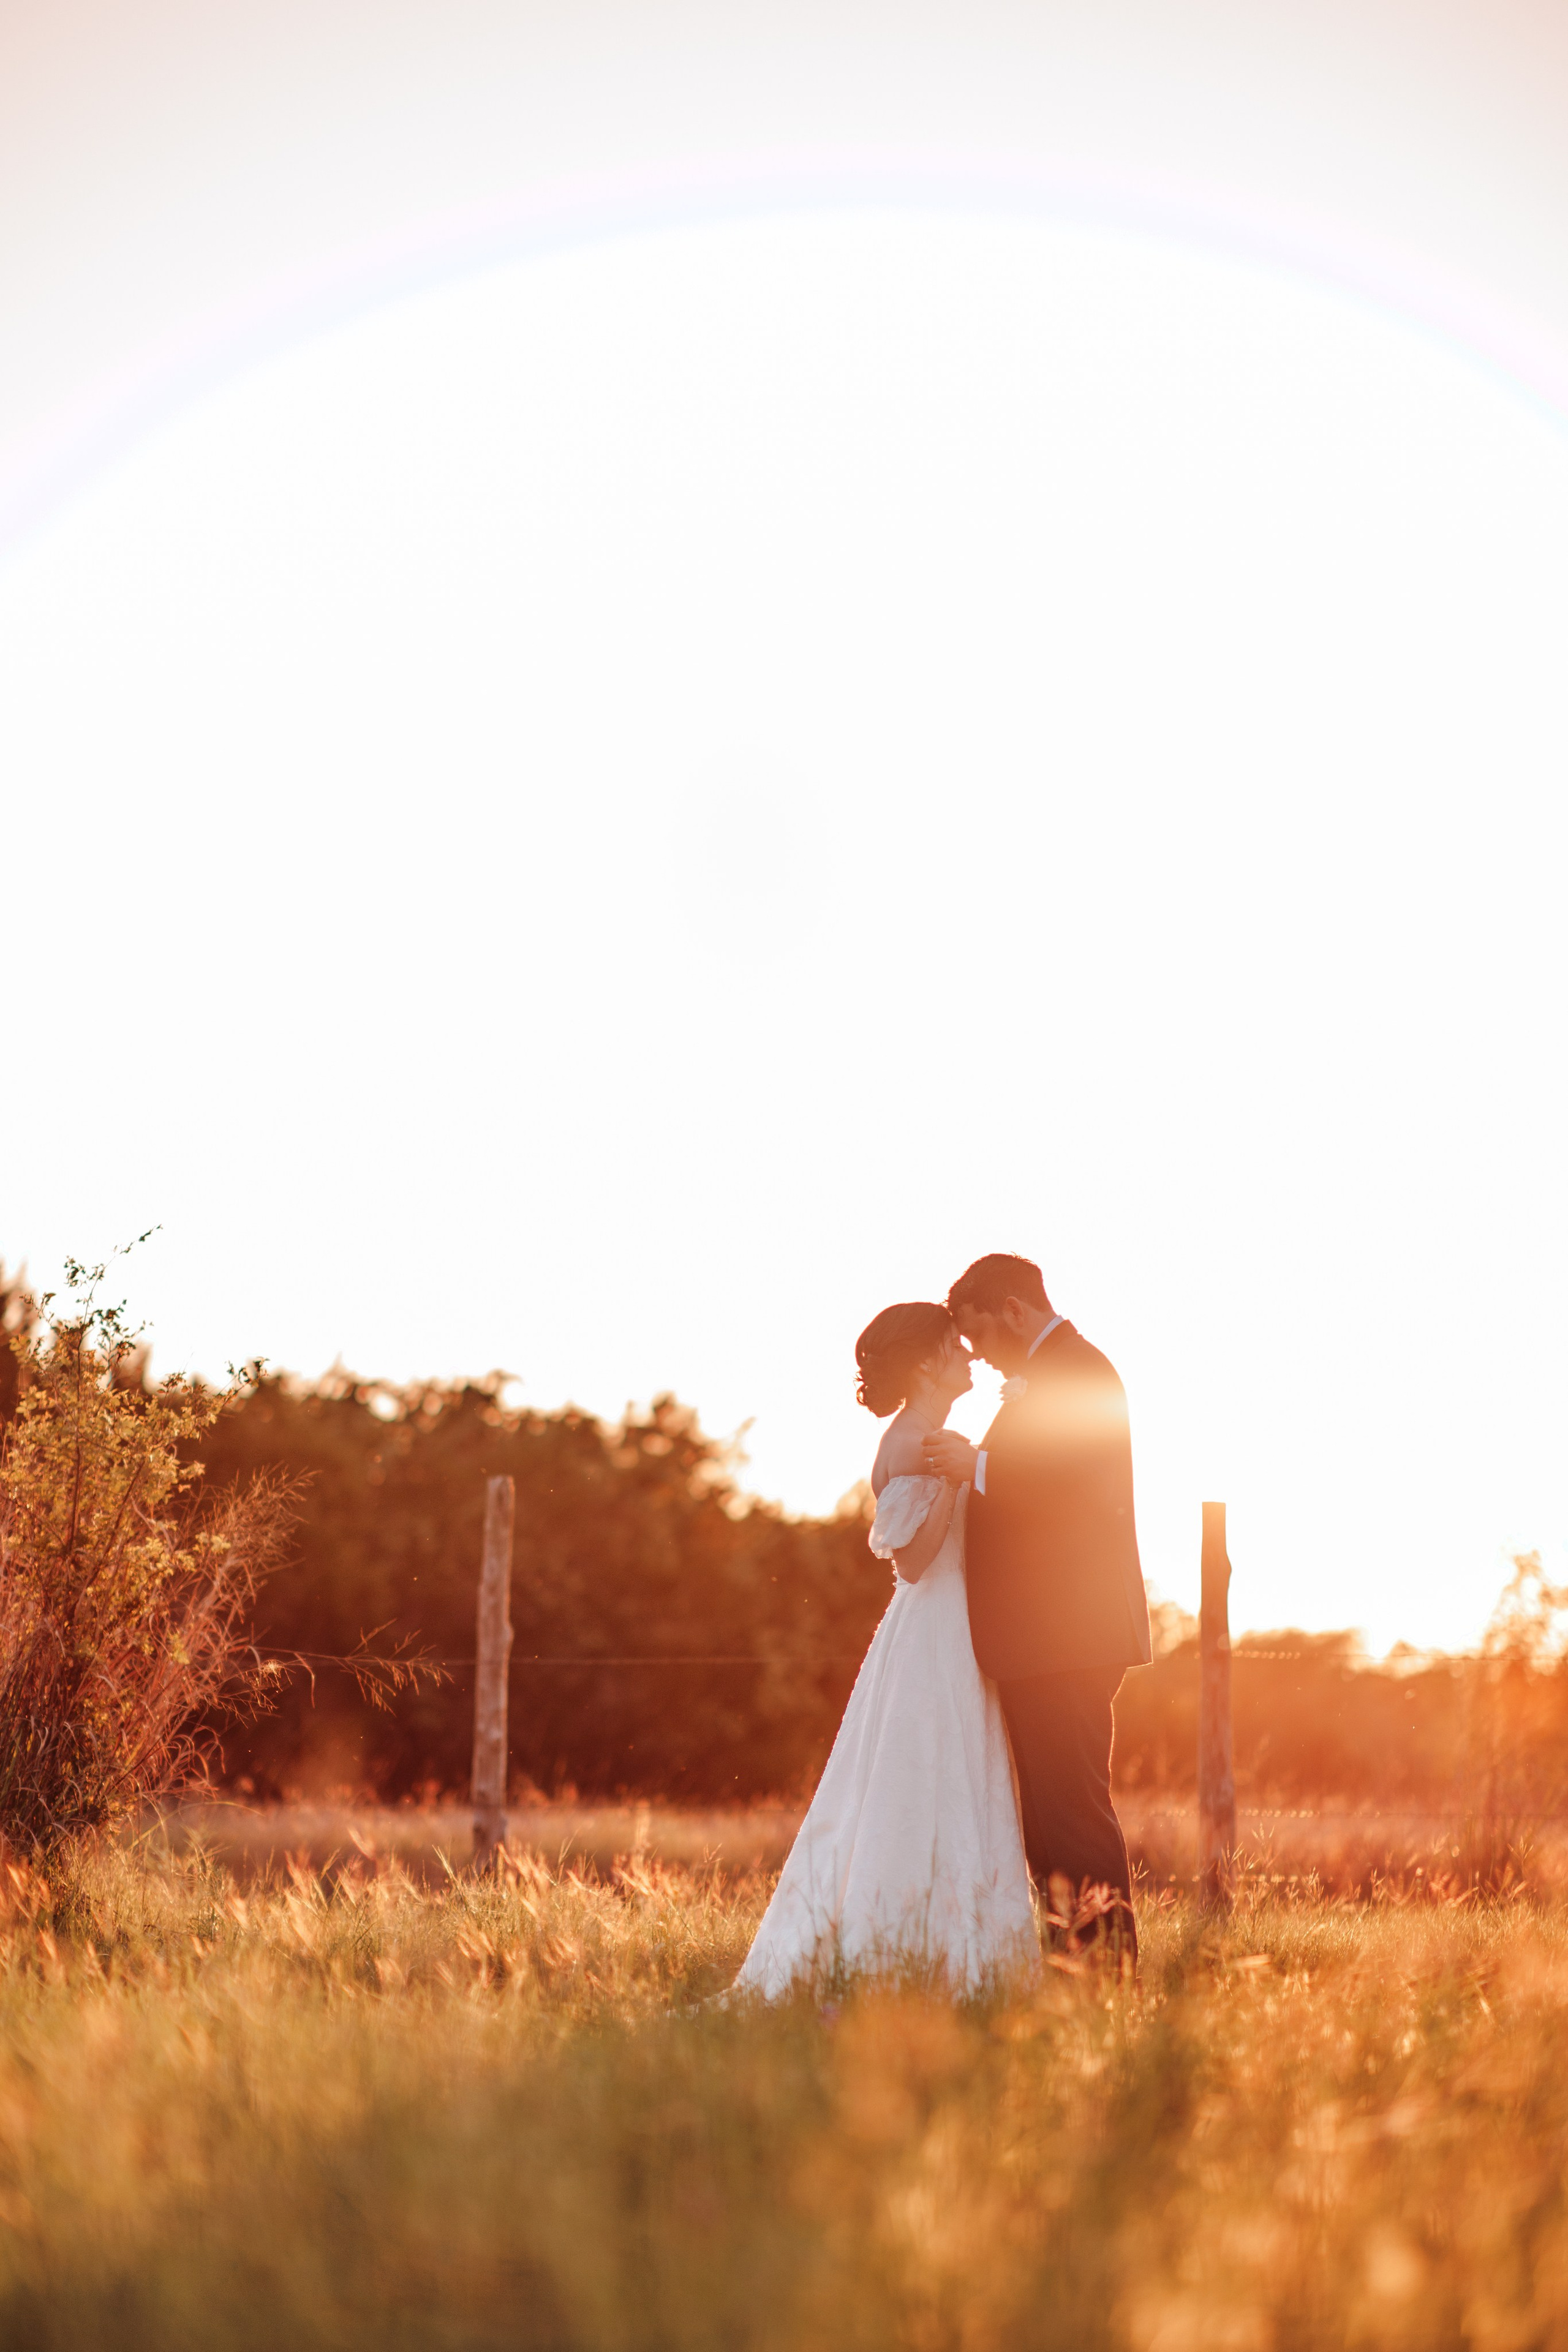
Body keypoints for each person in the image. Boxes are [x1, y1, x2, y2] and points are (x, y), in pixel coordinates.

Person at [730, 1301, 1035, 1997]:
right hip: (933, 1632)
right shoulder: (917, 1443)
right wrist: (961, 1483)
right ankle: (901, 1965)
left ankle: (951, 1961)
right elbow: (916, 1562)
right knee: (921, 1784)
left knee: (955, 1781)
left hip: (951, 1627)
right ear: (927, 1364)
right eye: (955, 1347)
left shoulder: (930, 1433)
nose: (967, 1357)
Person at [922, 1253, 1151, 1962]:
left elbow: (1077, 1491)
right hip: (1042, 1639)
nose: (980, 1357)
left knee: (1072, 1812)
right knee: (1049, 1820)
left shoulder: (1079, 1372)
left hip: (1069, 1637)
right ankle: (1072, 1963)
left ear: (1015, 1312)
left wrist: (977, 1467)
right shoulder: (1047, 1376)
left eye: (981, 1335)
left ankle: (1106, 1971)